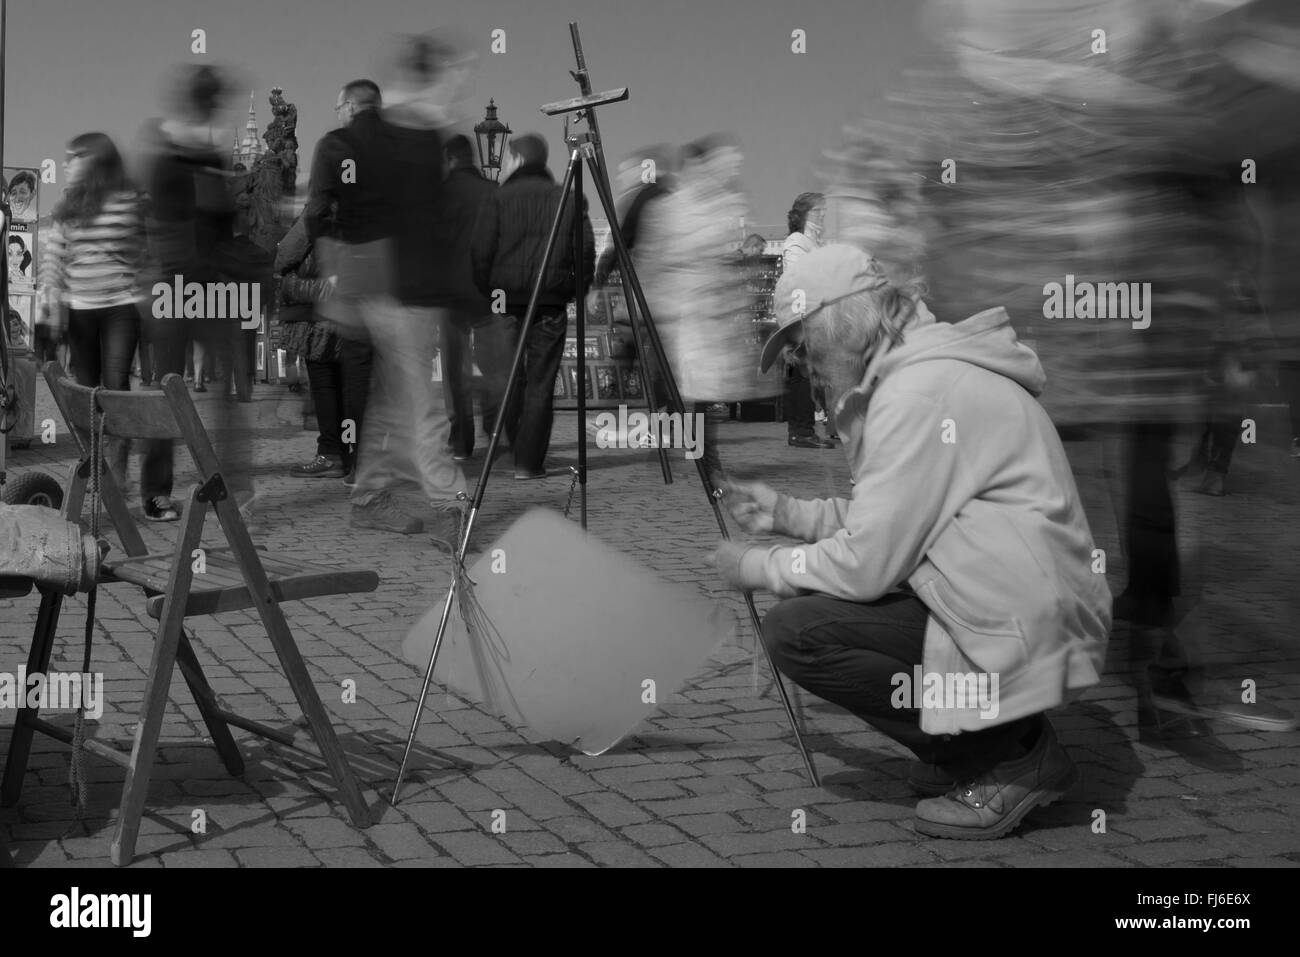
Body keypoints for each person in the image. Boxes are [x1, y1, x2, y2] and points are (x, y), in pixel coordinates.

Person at [709, 244, 1110, 839]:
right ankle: (976, 744)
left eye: (801, 340)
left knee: (797, 633)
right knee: (809, 614)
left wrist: (757, 566)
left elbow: (869, 563)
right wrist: (789, 514)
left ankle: (1007, 756)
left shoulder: (917, 394)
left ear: (841, 322)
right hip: (1013, 597)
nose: (797, 360)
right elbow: (898, 518)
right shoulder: (920, 374)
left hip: (1019, 611)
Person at [470, 132, 594, 480]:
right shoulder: (568, 199)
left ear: (518, 160)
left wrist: (489, 289)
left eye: (508, 158)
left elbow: (480, 253)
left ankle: (513, 444)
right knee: (541, 382)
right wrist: (572, 290)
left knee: (506, 377)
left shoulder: (497, 200)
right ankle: (528, 462)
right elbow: (584, 253)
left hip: (504, 301)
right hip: (550, 302)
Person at [36, 132, 150, 490]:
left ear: (95, 161)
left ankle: (115, 474)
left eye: (74, 158)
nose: (66, 165)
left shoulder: (127, 199)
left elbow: (139, 252)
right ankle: (94, 466)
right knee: (86, 392)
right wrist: (50, 299)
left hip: (120, 306)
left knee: (115, 386)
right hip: (80, 309)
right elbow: (53, 257)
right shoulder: (67, 206)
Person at [438, 133, 498, 460]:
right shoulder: (493, 192)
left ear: (449, 160)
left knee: (455, 370)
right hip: (490, 292)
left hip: (450, 295)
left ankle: (460, 441)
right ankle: (495, 430)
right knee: (493, 366)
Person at [781, 192, 836, 449]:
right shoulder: (797, 241)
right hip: (802, 315)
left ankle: (805, 429)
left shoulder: (816, 241)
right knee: (801, 373)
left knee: (809, 374)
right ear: (803, 214)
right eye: (817, 211)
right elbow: (797, 277)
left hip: (815, 313)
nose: (823, 215)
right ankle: (800, 431)